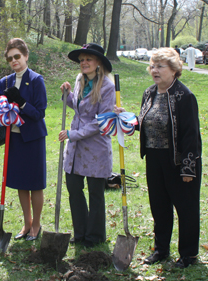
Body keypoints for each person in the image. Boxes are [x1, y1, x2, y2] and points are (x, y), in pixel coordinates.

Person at [116, 47, 201, 268]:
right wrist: (127, 118)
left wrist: (188, 168)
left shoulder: (184, 96)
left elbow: (191, 135)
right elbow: (146, 123)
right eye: (152, 66)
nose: (154, 70)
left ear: (174, 70)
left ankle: (188, 255)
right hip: (154, 159)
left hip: (178, 161)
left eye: (160, 66)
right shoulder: (149, 93)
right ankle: (161, 249)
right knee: (159, 207)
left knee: (186, 208)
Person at [59, 43, 115, 248]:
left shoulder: (107, 87)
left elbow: (102, 120)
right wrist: (67, 95)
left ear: (98, 62)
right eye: (81, 60)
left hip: (96, 147)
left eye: (88, 59)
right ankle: (80, 232)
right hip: (75, 147)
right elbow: (79, 107)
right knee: (74, 188)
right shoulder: (79, 80)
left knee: (95, 193)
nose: (84, 63)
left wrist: (74, 134)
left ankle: (95, 236)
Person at [1, 38, 47, 241]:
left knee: (35, 183)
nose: (14, 61)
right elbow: (3, 110)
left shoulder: (37, 80)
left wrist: (21, 102)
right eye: (10, 58)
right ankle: (26, 223)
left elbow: (39, 113)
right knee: (21, 182)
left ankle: (36, 224)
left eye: (17, 56)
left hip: (33, 138)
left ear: (26, 56)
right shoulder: (5, 82)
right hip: (15, 139)